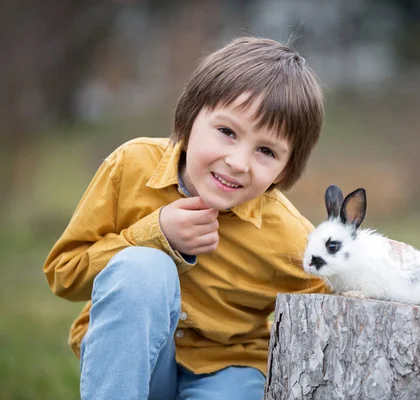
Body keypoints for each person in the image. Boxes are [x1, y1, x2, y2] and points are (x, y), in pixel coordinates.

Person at [43, 36, 329, 400]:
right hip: (130, 367)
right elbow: (64, 276)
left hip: (228, 369)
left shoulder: (292, 238)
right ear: (189, 120)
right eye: (227, 132)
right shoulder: (130, 166)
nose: (238, 163)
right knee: (142, 266)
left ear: (284, 172)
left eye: (266, 151)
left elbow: (336, 297)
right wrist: (154, 234)